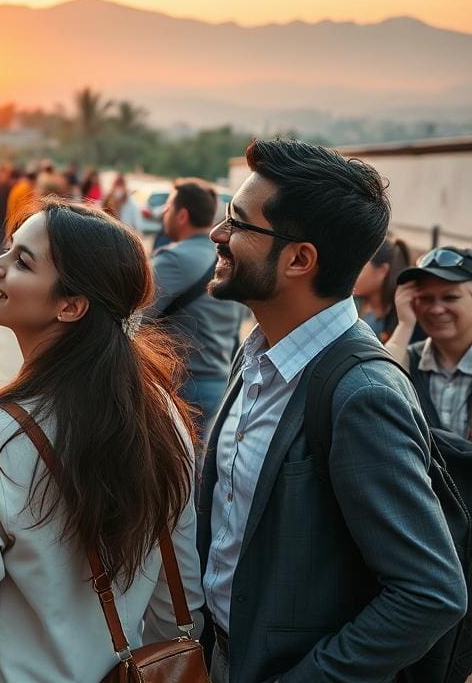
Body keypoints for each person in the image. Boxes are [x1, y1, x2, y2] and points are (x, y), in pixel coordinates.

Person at [199, 138, 466, 683]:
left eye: (238, 222)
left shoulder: (362, 393)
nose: (218, 234)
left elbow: (431, 593)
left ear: (300, 259)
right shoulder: (258, 357)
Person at [0, 199, 203, 681]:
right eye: (8, 250)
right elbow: (177, 603)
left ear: (71, 305)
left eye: (22, 261)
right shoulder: (162, 411)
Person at [144, 178, 246, 450]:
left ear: (182, 215)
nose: (163, 213)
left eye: (167, 207)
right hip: (219, 383)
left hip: (182, 385)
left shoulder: (174, 259)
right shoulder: (228, 260)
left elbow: (133, 315)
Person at [388, 247, 472, 437]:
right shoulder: (406, 360)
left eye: (450, 297)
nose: (436, 309)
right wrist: (404, 325)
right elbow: (375, 383)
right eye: (425, 298)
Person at [353, 236, 421, 343]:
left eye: (360, 268)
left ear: (382, 270)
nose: (352, 274)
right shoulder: (351, 305)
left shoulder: (404, 314)